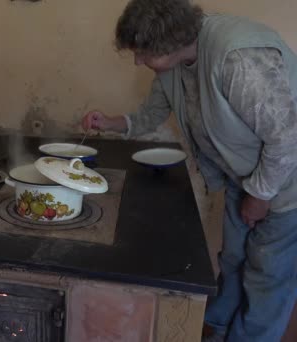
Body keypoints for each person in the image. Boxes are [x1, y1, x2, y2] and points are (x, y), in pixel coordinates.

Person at [82, 0, 297, 341]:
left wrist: (260, 195)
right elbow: (149, 116)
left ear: (166, 42)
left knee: (267, 273)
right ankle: (219, 326)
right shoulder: (174, 66)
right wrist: (108, 122)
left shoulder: (237, 59)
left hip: (286, 180)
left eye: (142, 53)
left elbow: (287, 139)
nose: (137, 61)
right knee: (234, 258)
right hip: (243, 176)